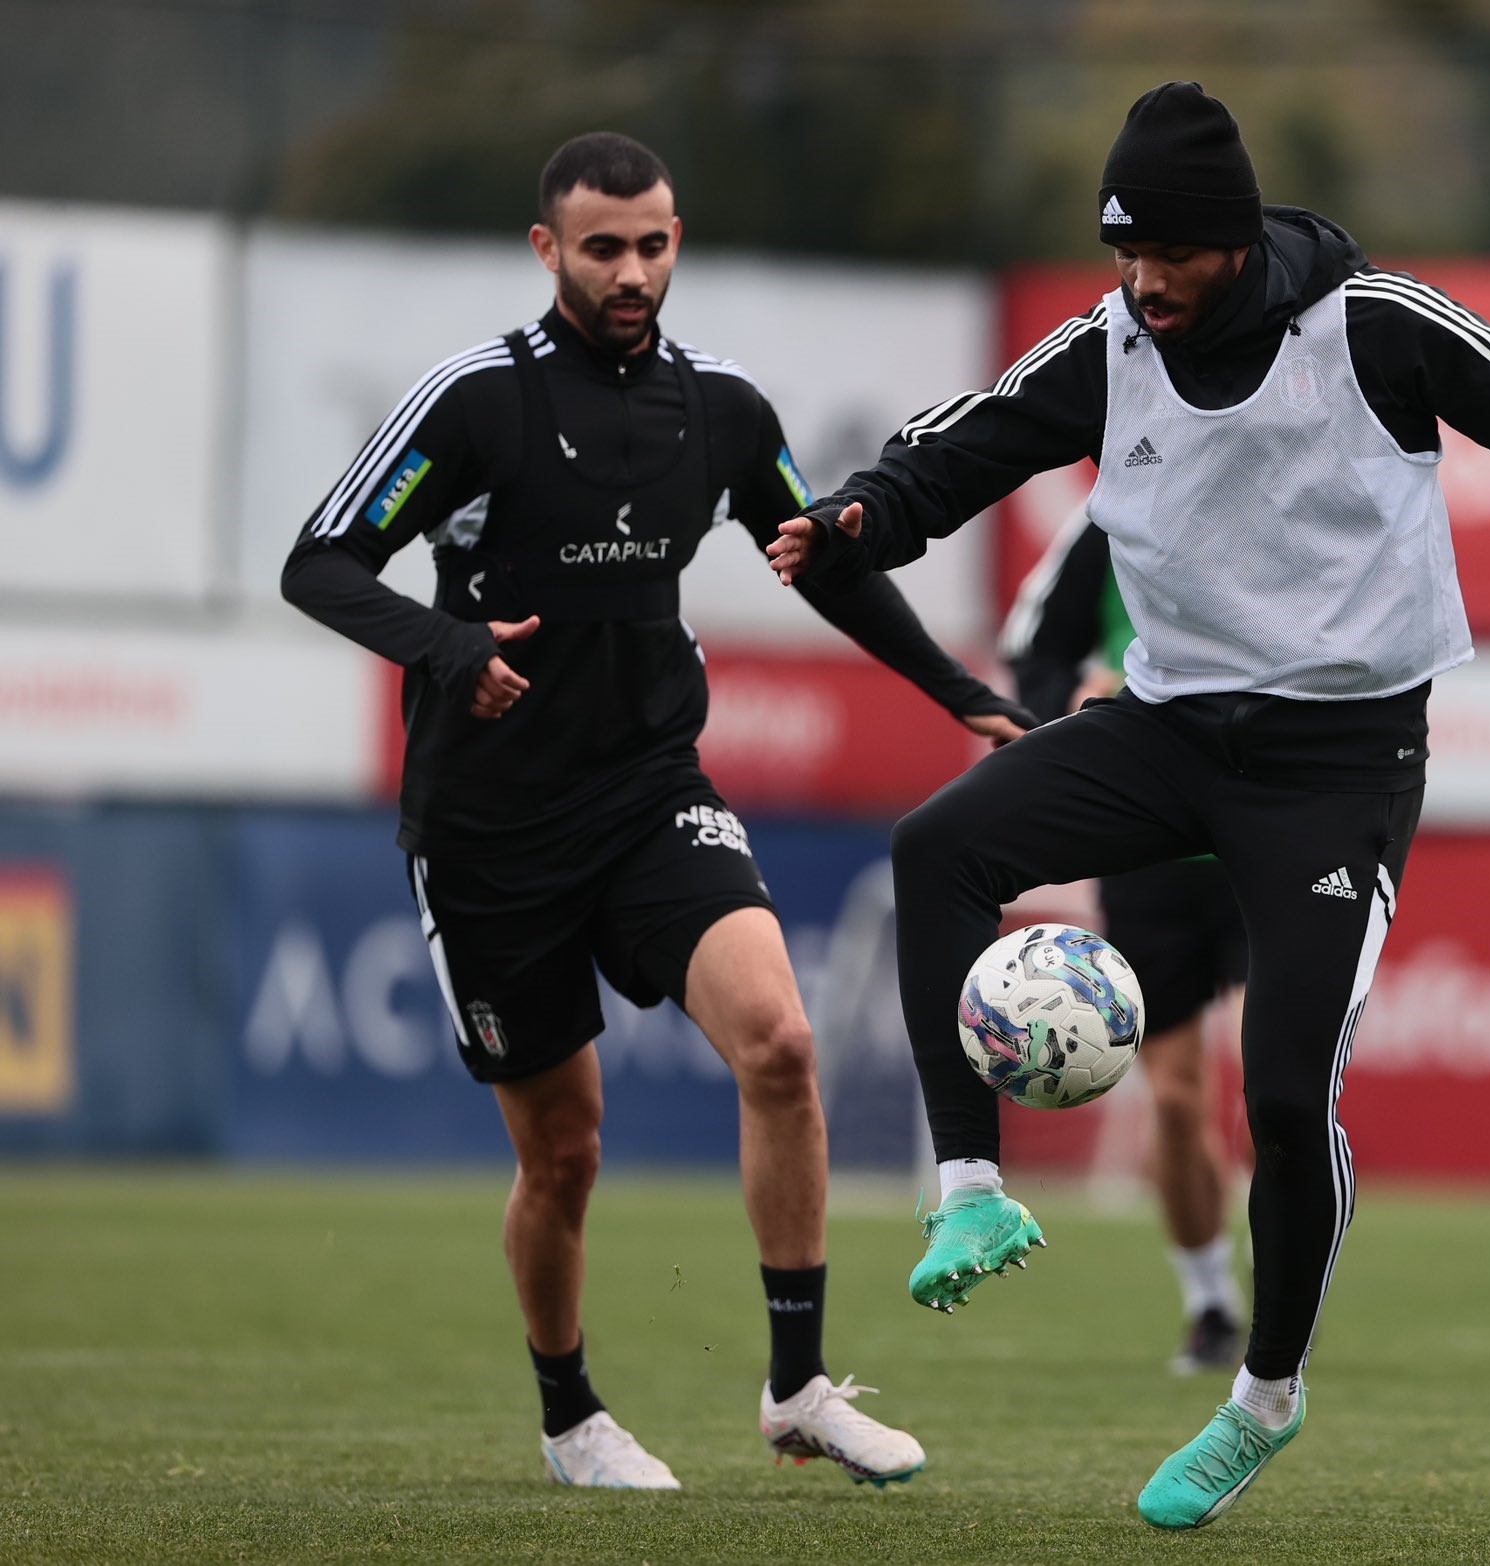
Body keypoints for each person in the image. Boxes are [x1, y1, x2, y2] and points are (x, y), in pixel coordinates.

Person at [768, 83, 1490, 1529]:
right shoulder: (1115, 340)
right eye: (1122, 255)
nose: (1142, 284)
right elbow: (975, 442)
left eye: (1169, 256)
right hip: (1171, 725)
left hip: (1339, 765)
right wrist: (872, 512)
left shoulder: (1379, 324)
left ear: (1236, 240)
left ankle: (1264, 1395)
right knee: (942, 843)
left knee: (1283, 1089)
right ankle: (971, 1184)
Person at [281, 132, 1031, 1490]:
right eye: (606, 247)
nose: (635, 271)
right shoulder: (472, 404)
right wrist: (448, 651)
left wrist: (959, 690)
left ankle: (797, 1386)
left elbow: (819, 561)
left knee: (783, 1042)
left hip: (649, 794)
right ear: (548, 250)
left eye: (656, 243)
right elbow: (318, 563)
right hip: (489, 832)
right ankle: (572, 1414)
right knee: (565, 1153)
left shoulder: (725, 411)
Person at [1003, 510, 1249, 1373]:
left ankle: (1290, 1293)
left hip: (1268, 837)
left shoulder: (1277, 490)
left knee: (1281, 1085)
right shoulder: (1112, 517)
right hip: (1148, 852)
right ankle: (1212, 1299)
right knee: (1179, 1100)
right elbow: (1033, 648)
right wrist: (1067, 710)